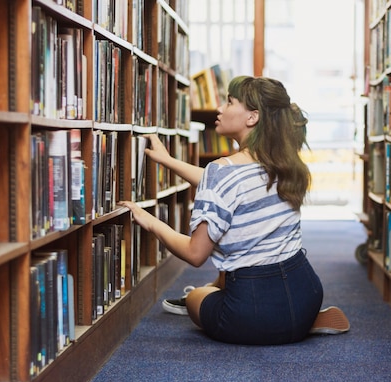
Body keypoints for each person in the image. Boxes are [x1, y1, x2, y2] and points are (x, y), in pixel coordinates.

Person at [118, 75, 349, 345]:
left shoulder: (223, 172)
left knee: (196, 297)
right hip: (306, 292)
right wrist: (168, 162)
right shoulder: (283, 165)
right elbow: (223, 186)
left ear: (252, 117)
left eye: (229, 102)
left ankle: (238, 307)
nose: (220, 109)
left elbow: (195, 254)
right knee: (232, 271)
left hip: (251, 311)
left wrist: (149, 221)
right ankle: (300, 321)